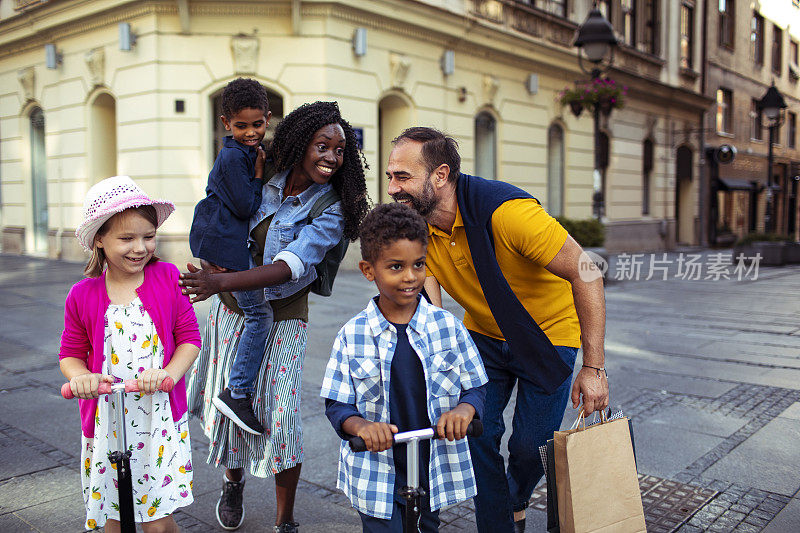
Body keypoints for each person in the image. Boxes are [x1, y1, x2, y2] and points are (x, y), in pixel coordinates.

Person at [385, 127, 609, 533]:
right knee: (475, 435)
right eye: (390, 177)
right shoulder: (418, 224)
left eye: (402, 177)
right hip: (485, 338)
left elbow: (587, 271)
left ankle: (516, 497)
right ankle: (500, 524)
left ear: (440, 175)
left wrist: (593, 368)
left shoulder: (506, 214)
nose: (392, 188)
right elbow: (428, 279)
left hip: (547, 335)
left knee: (531, 448)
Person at [181, 101, 370, 532]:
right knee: (230, 409)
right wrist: (211, 264)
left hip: (284, 316)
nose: (331, 157)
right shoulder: (261, 172)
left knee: (281, 419)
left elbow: (292, 264)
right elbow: (222, 211)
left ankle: (284, 522)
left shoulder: (333, 208)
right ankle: (233, 483)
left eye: (339, 151)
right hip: (233, 312)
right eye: (323, 146)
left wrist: (221, 282)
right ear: (303, 144)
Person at [320, 203, 488, 532]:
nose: (410, 276)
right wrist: (362, 427)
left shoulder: (448, 327)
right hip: (377, 468)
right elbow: (337, 404)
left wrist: (465, 411)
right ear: (369, 270)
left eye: (418, 265)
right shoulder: (352, 336)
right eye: (396, 266)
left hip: (432, 465)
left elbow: (476, 385)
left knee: (427, 527)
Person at [59, 176, 201, 533]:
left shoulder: (168, 278)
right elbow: (70, 354)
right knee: (111, 517)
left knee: (157, 520)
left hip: (158, 418)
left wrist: (168, 372)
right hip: (107, 420)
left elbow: (190, 339)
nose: (140, 247)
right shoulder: (82, 295)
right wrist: (82, 378)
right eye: (127, 238)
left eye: (148, 236)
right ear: (100, 241)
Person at [189, 77, 270, 436]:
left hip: (221, 238)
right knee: (259, 314)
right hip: (222, 240)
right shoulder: (235, 157)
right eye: (241, 126)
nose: (251, 132)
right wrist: (256, 175)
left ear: (267, 118)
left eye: (257, 124)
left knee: (247, 311)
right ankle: (236, 391)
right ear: (226, 124)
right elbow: (245, 205)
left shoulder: (243, 151)